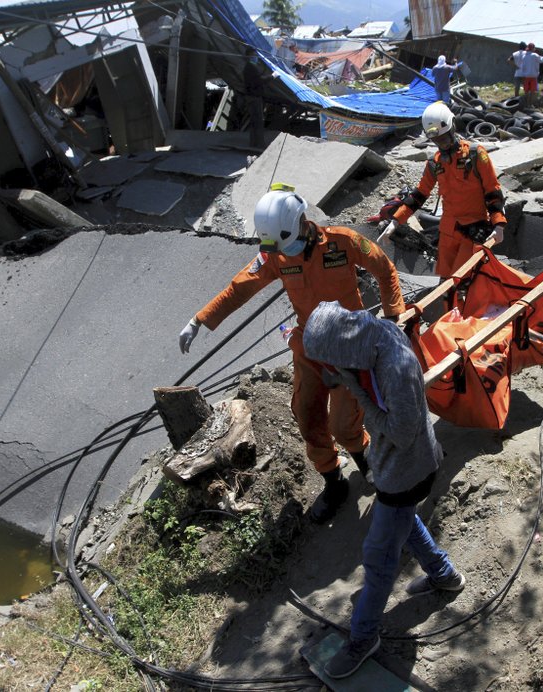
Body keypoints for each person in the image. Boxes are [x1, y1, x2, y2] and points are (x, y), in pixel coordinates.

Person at [178, 186, 406, 522]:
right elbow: (240, 287)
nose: (289, 253)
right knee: (307, 414)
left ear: (302, 221)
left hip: (349, 345)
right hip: (310, 346)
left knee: (343, 425)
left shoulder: (343, 242)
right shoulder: (277, 254)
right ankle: (333, 481)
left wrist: (393, 315)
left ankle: (365, 459)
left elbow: (384, 268)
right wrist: (200, 319)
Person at [302, 301, 464, 680]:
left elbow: (402, 433)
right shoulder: (372, 339)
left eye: (330, 362)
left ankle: (363, 638)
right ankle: (444, 575)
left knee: (377, 559)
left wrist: (357, 392)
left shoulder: (394, 366)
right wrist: (346, 376)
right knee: (402, 522)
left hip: (409, 469)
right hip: (396, 467)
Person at [378, 101, 507, 282]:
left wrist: (499, 224)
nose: (442, 144)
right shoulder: (434, 163)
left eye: (444, 138)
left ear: (452, 127)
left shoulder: (475, 154)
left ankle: (465, 310)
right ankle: (450, 309)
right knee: (445, 283)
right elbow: (419, 195)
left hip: (473, 230)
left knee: (463, 282)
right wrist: (396, 221)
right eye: (437, 140)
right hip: (447, 233)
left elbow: (492, 190)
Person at [242, 50, 268, 149]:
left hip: (251, 96)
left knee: (254, 121)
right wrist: (272, 77)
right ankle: (260, 144)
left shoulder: (249, 67)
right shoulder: (251, 68)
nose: (256, 57)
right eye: (254, 56)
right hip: (254, 97)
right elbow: (259, 81)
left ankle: (253, 143)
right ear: (249, 57)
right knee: (258, 121)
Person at [519, 42, 543, 107]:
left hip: (526, 76)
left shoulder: (524, 56)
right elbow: (542, 60)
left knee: (526, 91)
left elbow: (522, 67)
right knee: (532, 91)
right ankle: (530, 104)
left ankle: (526, 104)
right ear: (533, 48)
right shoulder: (535, 55)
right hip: (533, 76)